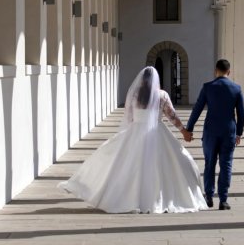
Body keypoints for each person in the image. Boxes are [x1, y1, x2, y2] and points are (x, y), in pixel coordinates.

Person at [58, 66, 208, 213]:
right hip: (156, 131)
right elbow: (172, 116)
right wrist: (184, 131)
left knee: (127, 164)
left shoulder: (134, 94)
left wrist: (133, 130)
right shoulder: (161, 95)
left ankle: (127, 197)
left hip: (135, 130)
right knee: (171, 163)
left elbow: (128, 116)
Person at [184, 59, 244, 210]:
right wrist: (239, 132)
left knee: (210, 163)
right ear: (229, 72)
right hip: (228, 131)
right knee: (226, 164)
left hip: (211, 131)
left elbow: (197, 109)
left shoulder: (208, 87)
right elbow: (242, 114)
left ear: (215, 71)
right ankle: (223, 199)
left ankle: (209, 196)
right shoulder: (236, 88)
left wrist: (189, 129)